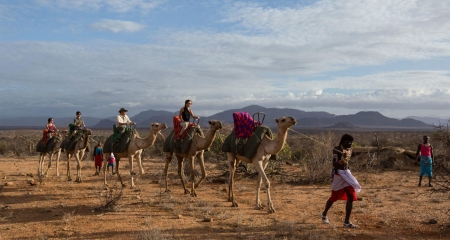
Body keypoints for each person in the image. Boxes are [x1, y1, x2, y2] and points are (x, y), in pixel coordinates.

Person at [321, 134, 361, 228]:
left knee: (351, 196)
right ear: (343, 141)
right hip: (338, 174)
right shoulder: (336, 149)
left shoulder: (349, 150)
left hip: (346, 174)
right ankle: (324, 214)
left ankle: (346, 222)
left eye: (352, 142)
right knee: (334, 197)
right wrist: (341, 160)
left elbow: (347, 162)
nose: (351, 143)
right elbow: (334, 164)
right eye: (349, 142)